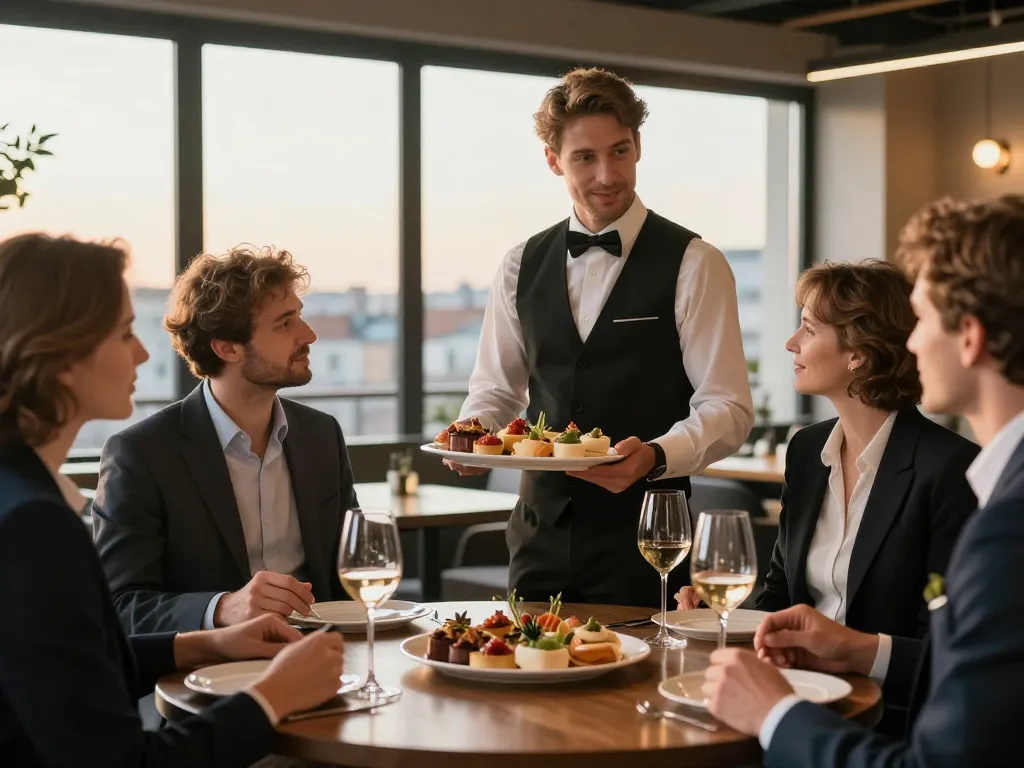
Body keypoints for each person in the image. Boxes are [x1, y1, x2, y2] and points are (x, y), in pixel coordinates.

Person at [701, 194, 1024, 767]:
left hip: (877, 724)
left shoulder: (976, 492)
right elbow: (782, 586)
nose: (914, 340)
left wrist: (781, 708)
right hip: (812, 699)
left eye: (924, 320)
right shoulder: (807, 450)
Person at [0, 233, 345, 767]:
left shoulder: (22, 496)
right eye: (122, 333)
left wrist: (208, 643)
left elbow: (72, 662)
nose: (142, 351)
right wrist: (273, 693)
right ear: (59, 357)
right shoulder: (33, 524)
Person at [448, 67, 754, 607]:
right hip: (539, 538)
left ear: (638, 147)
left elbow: (728, 407)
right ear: (552, 160)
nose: (607, 174)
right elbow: (496, 391)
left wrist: (656, 456)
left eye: (619, 152)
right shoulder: (520, 264)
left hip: (650, 541)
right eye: (585, 158)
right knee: (528, 684)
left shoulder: (694, 263)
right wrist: (475, 437)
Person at [676, 260, 978, 642]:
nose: (791, 342)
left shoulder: (950, 468)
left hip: (885, 698)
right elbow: (779, 598)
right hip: (794, 681)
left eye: (809, 328)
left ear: (858, 353)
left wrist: (853, 654)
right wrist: (721, 615)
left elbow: (943, 646)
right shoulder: (807, 450)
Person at [92, 246, 359, 635]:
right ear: (226, 347)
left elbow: (350, 577)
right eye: (285, 324)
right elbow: (120, 605)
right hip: (207, 674)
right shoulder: (143, 454)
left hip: (324, 658)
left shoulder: (322, 436)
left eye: (299, 315)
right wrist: (221, 608)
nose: (309, 335)